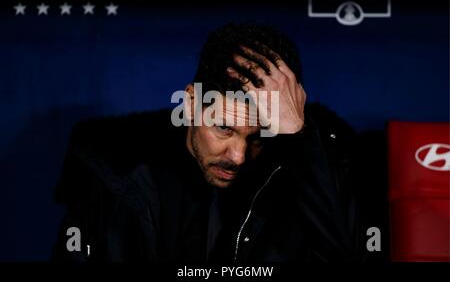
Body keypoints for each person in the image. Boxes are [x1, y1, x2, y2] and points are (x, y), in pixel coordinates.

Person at [53, 23, 355, 262]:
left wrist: (300, 139)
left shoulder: (299, 174)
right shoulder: (115, 175)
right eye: (224, 128)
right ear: (191, 102)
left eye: (258, 138)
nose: (237, 157)